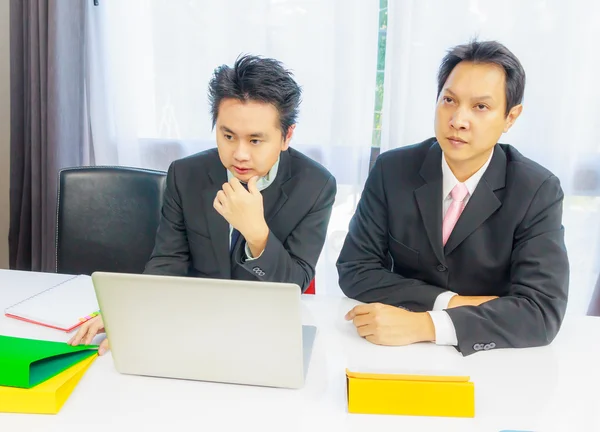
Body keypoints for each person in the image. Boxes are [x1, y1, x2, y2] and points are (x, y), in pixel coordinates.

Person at [70, 55, 337, 354]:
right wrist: (131, 314)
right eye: (228, 136)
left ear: (286, 136)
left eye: (255, 140)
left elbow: (296, 283)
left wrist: (257, 236)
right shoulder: (186, 175)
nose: (239, 154)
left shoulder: (315, 185)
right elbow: (168, 261)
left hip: (266, 333)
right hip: (193, 326)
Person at [337, 40, 569, 356]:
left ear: (510, 117)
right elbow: (355, 269)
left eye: (481, 107)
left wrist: (425, 325)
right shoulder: (393, 170)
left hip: (490, 359)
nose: (458, 120)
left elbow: (541, 312)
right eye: (449, 100)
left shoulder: (537, 190)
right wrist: (449, 302)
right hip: (390, 352)